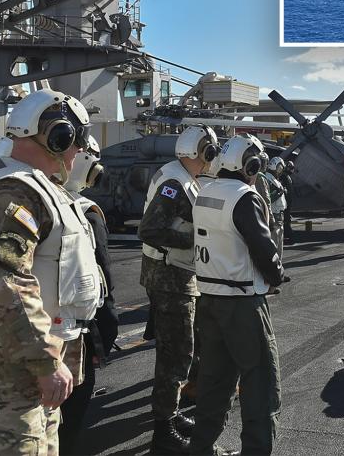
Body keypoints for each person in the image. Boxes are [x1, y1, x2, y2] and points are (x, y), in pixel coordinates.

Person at [0, 88, 103, 456]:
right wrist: (44, 361)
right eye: (77, 140)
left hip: (23, 364)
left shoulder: (39, 188)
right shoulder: (12, 191)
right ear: (57, 136)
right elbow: (6, 282)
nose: (80, 151)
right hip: (3, 369)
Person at [190, 134, 284, 455]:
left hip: (209, 298)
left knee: (214, 381)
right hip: (242, 302)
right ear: (250, 165)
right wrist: (276, 276)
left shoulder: (205, 191)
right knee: (260, 384)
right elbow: (263, 247)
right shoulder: (244, 197)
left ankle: (202, 448)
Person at [137, 124, 219, 453]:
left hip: (175, 275)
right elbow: (150, 229)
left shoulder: (181, 177)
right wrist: (195, 240)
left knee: (180, 351)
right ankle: (164, 430)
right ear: (205, 152)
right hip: (170, 278)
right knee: (176, 355)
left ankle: (170, 414)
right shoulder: (175, 183)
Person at [58, 136, 119, 453]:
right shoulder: (84, 211)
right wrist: (107, 331)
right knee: (72, 407)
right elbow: (102, 278)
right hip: (73, 330)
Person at [264, 157, 288, 264]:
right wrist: (279, 192)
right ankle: (274, 268)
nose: (280, 171)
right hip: (274, 216)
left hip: (279, 216)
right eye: (279, 168)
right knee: (274, 246)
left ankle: (278, 267)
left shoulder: (273, 179)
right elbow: (268, 198)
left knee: (279, 246)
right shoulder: (268, 179)